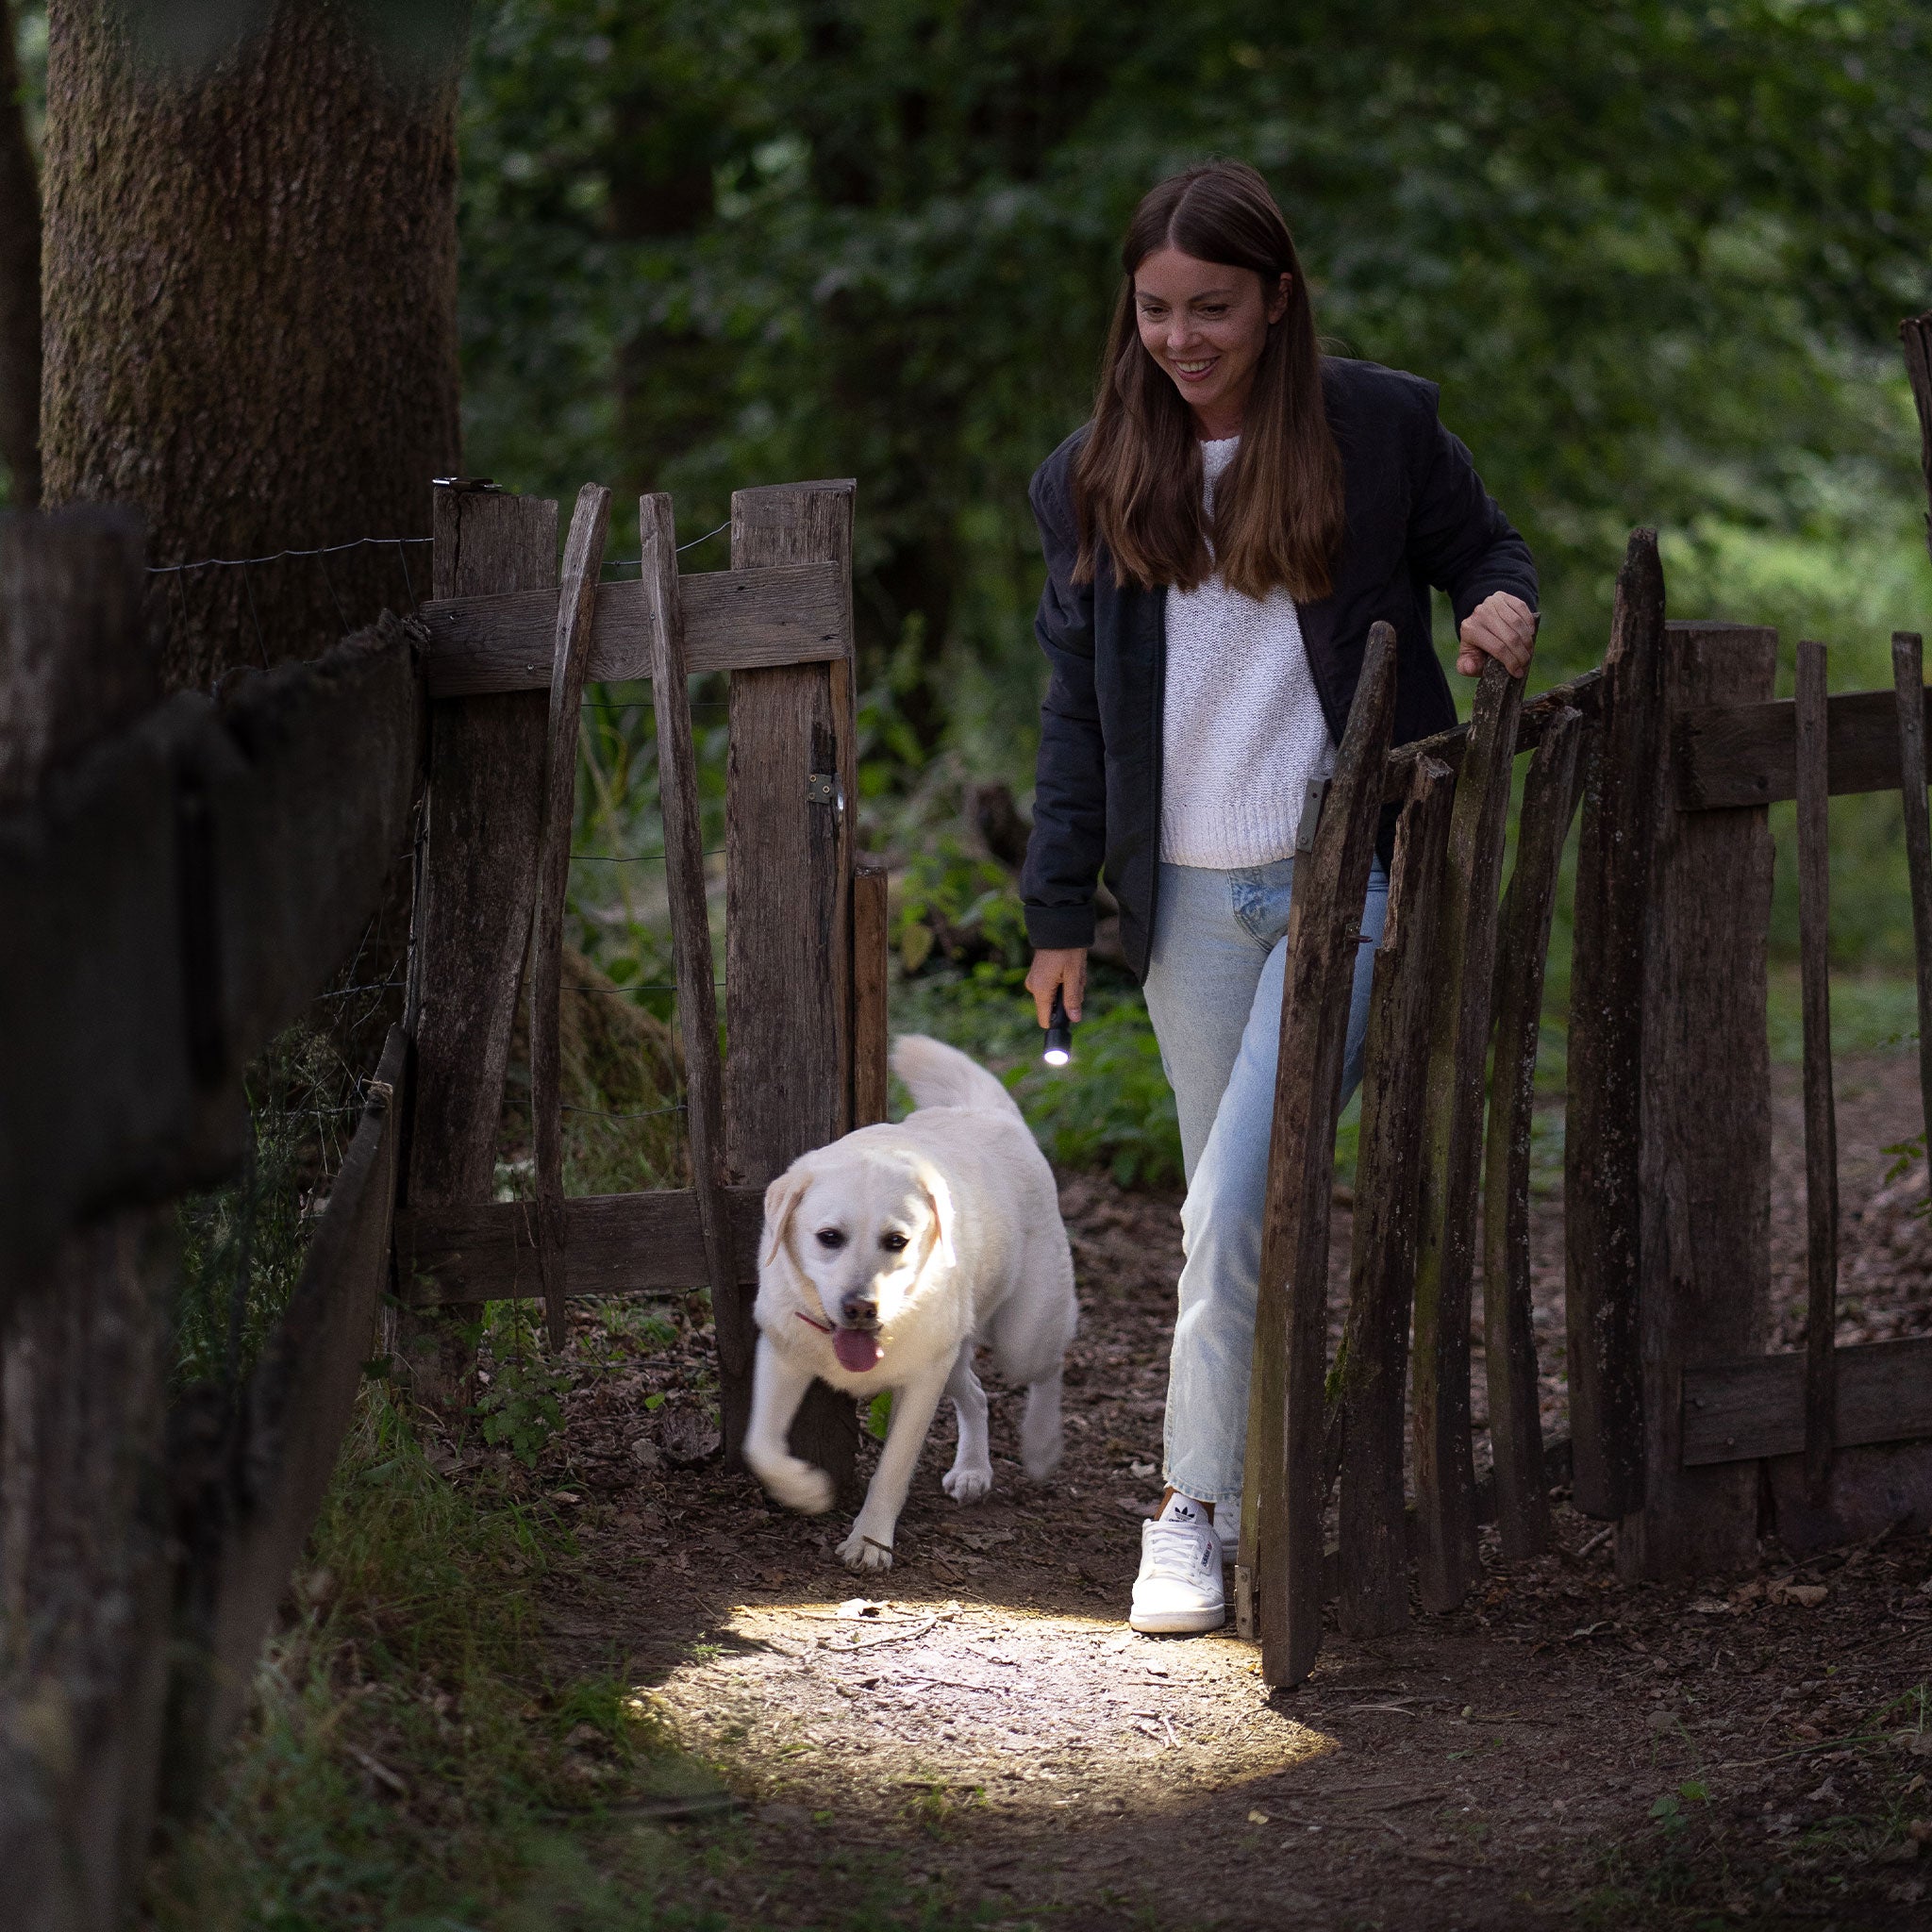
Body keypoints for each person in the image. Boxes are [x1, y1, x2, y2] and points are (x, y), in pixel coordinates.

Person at [1019, 161, 1538, 1635]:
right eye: (1159, 310)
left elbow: (1486, 553)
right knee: (1224, 1212)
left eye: (1216, 310)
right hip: (1183, 906)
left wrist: (1504, 603)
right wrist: (1061, 909)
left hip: (1353, 873)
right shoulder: (1092, 475)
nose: (1185, 339)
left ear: (1278, 301)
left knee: (1237, 1197)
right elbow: (1074, 717)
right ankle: (1242, 1495)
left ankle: (1186, 1513)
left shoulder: (1377, 429)